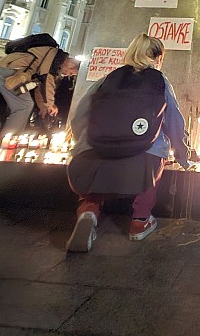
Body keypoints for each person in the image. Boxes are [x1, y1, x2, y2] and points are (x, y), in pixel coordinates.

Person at [66, 33, 190, 251]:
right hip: (143, 158)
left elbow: (79, 115)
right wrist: (181, 153)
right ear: (158, 57)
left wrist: (83, 142)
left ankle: (89, 211)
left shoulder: (108, 78)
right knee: (156, 151)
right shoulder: (159, 81)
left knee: (96, 177)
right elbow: (174, 121)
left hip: (96, 152)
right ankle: (140, 220)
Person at [0, 45, 80, 136]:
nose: (66, 75)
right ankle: (9, 139)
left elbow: (40, 85)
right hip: (8, 70)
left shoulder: (53, 61)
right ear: (71, 65)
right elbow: (46, 81)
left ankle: (11, 138)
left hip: (10, 72)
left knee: (25, 105)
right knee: (24, 106)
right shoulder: (55, 58)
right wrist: (50, 105)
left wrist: (43, 107)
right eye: (70, 73)